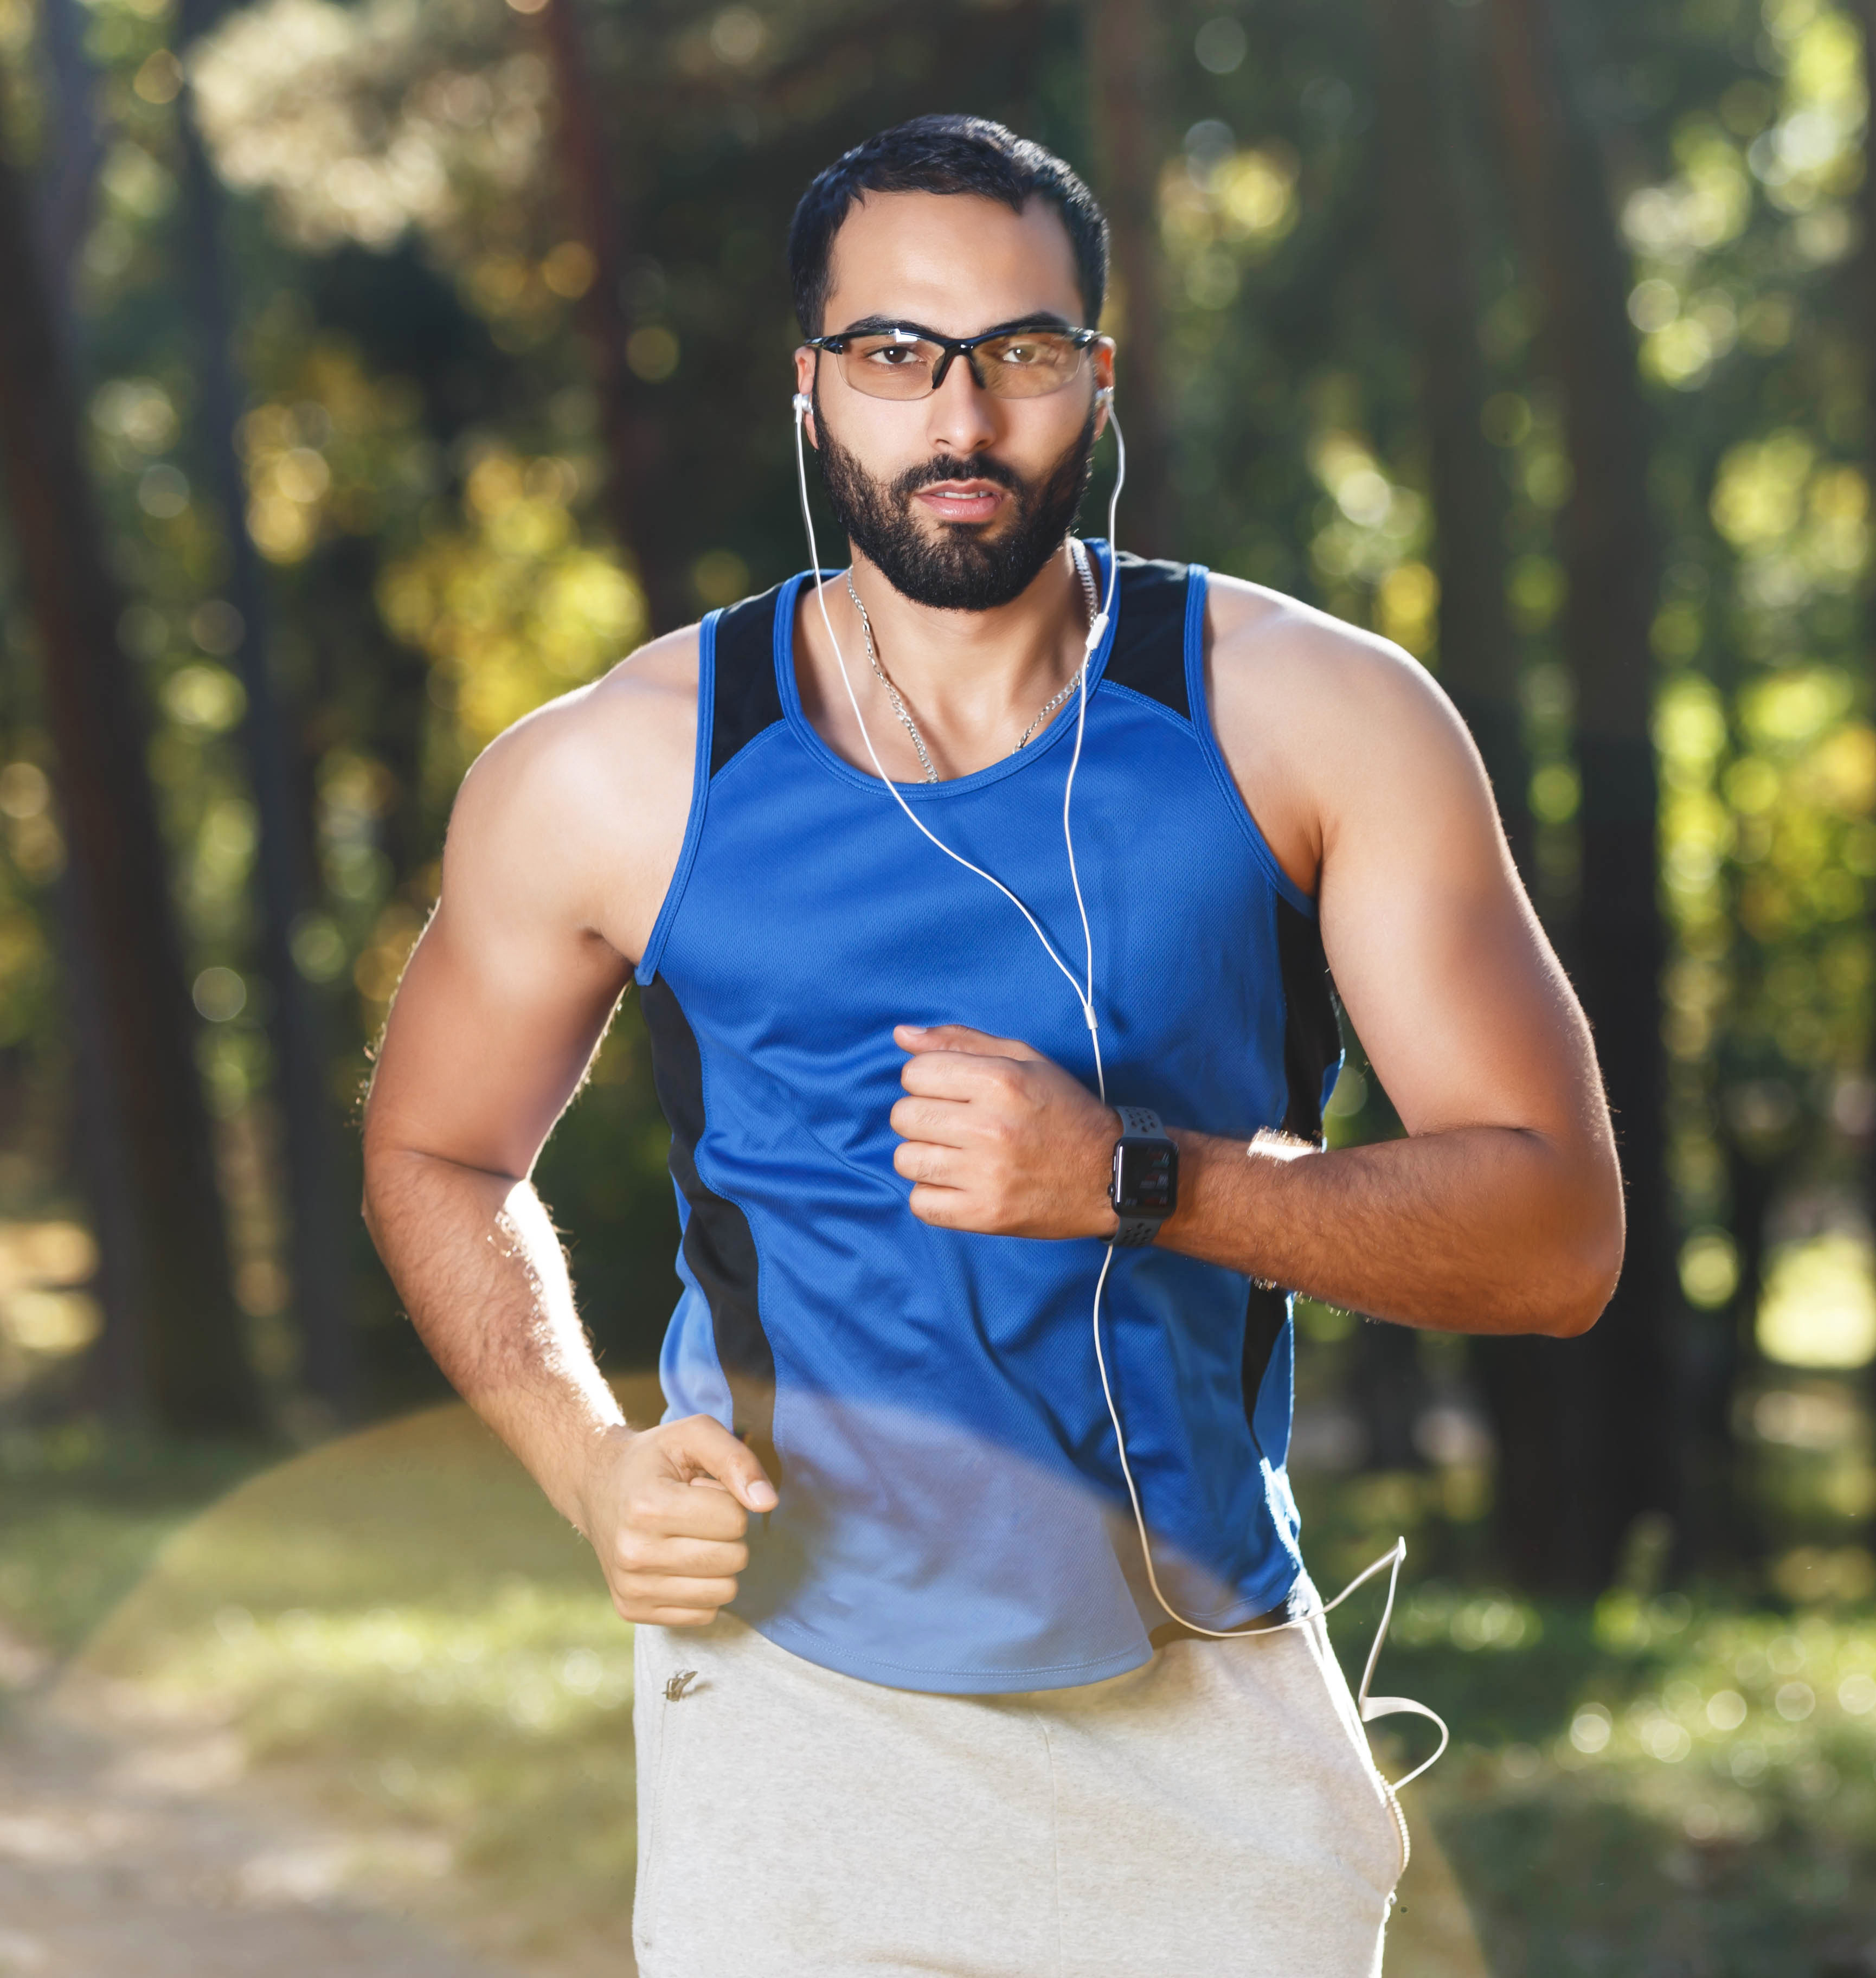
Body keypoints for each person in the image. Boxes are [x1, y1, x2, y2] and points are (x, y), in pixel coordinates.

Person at [361, 113, 1622, 1978]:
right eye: (894, 355)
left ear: (1094, 380)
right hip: (796, 1727)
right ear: (813, 389)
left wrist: (1137, 1179)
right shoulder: (617, 771)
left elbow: (1559, 1240)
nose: (959, 419)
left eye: (1020, 352)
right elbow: (436, 1152)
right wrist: (588, 1463)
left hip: (1203, 1722)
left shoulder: (1315, 721)